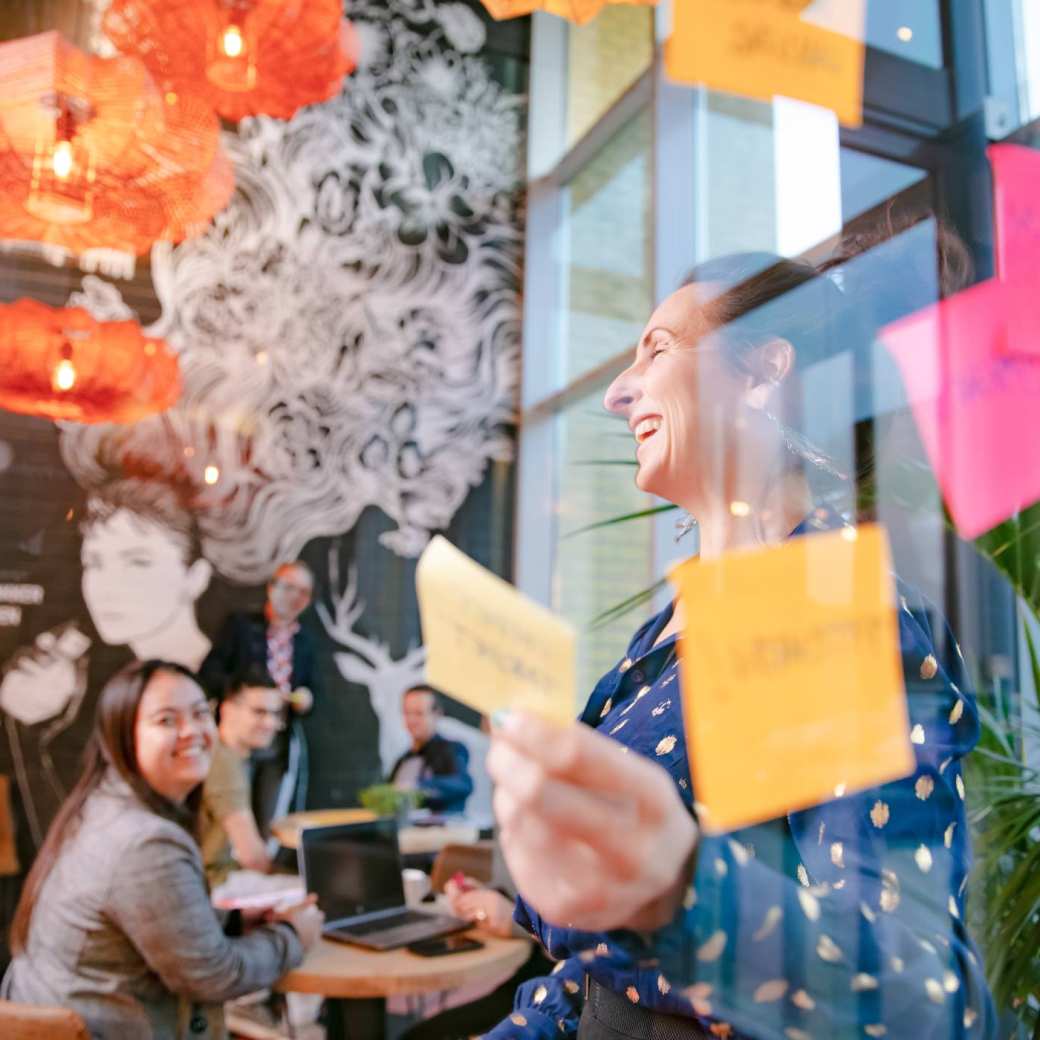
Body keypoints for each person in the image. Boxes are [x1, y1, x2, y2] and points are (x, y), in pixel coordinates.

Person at [481, 247, 996, 1038]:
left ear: (762, 373)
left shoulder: (815, 608)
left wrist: (679, 890)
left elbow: (919, 1000)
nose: (619, 392)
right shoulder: (666, 633)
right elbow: (600, 978)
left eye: (656, 350)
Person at [1, 659, 324, 1038]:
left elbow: (157, 922)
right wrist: (291, 934)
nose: (192, 731)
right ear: (123, 735)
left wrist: (234, 922)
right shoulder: (144, 841)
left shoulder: (104, 804)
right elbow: (215, 976)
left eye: (199, 714)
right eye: (167, 720)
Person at [0, 477, 214, 869]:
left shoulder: (220, 674)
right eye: (94, 563)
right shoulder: (91, 681)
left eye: (138, 562)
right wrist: (34, 724)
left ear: (195, 577)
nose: (107, 586)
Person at [199, 561, 318, 840]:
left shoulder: (305, 641)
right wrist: (246, 692)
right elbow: (209, 674)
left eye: (303, 592)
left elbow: (313, 689)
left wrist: (305, 699)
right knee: (229, 815)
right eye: (289, 587)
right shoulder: (240, 626)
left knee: (270, 818)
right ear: (272, 588)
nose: (295, 597)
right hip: (235, 740)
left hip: (277, 743)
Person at [200, 663, 285, 887]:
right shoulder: (224, 762)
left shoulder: (223, 755)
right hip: (214, 887)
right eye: (259, 712)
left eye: (276, 714)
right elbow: (252, 857)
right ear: (227, 709)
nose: (270, 723)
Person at [388, 684, 474, 814]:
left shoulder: (452, 750)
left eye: (419, 713)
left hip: (441, 826)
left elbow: (463, 785)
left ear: (437, 714)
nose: (411, 720)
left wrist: (419, 788)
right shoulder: (403, 760)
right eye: (406, 713)